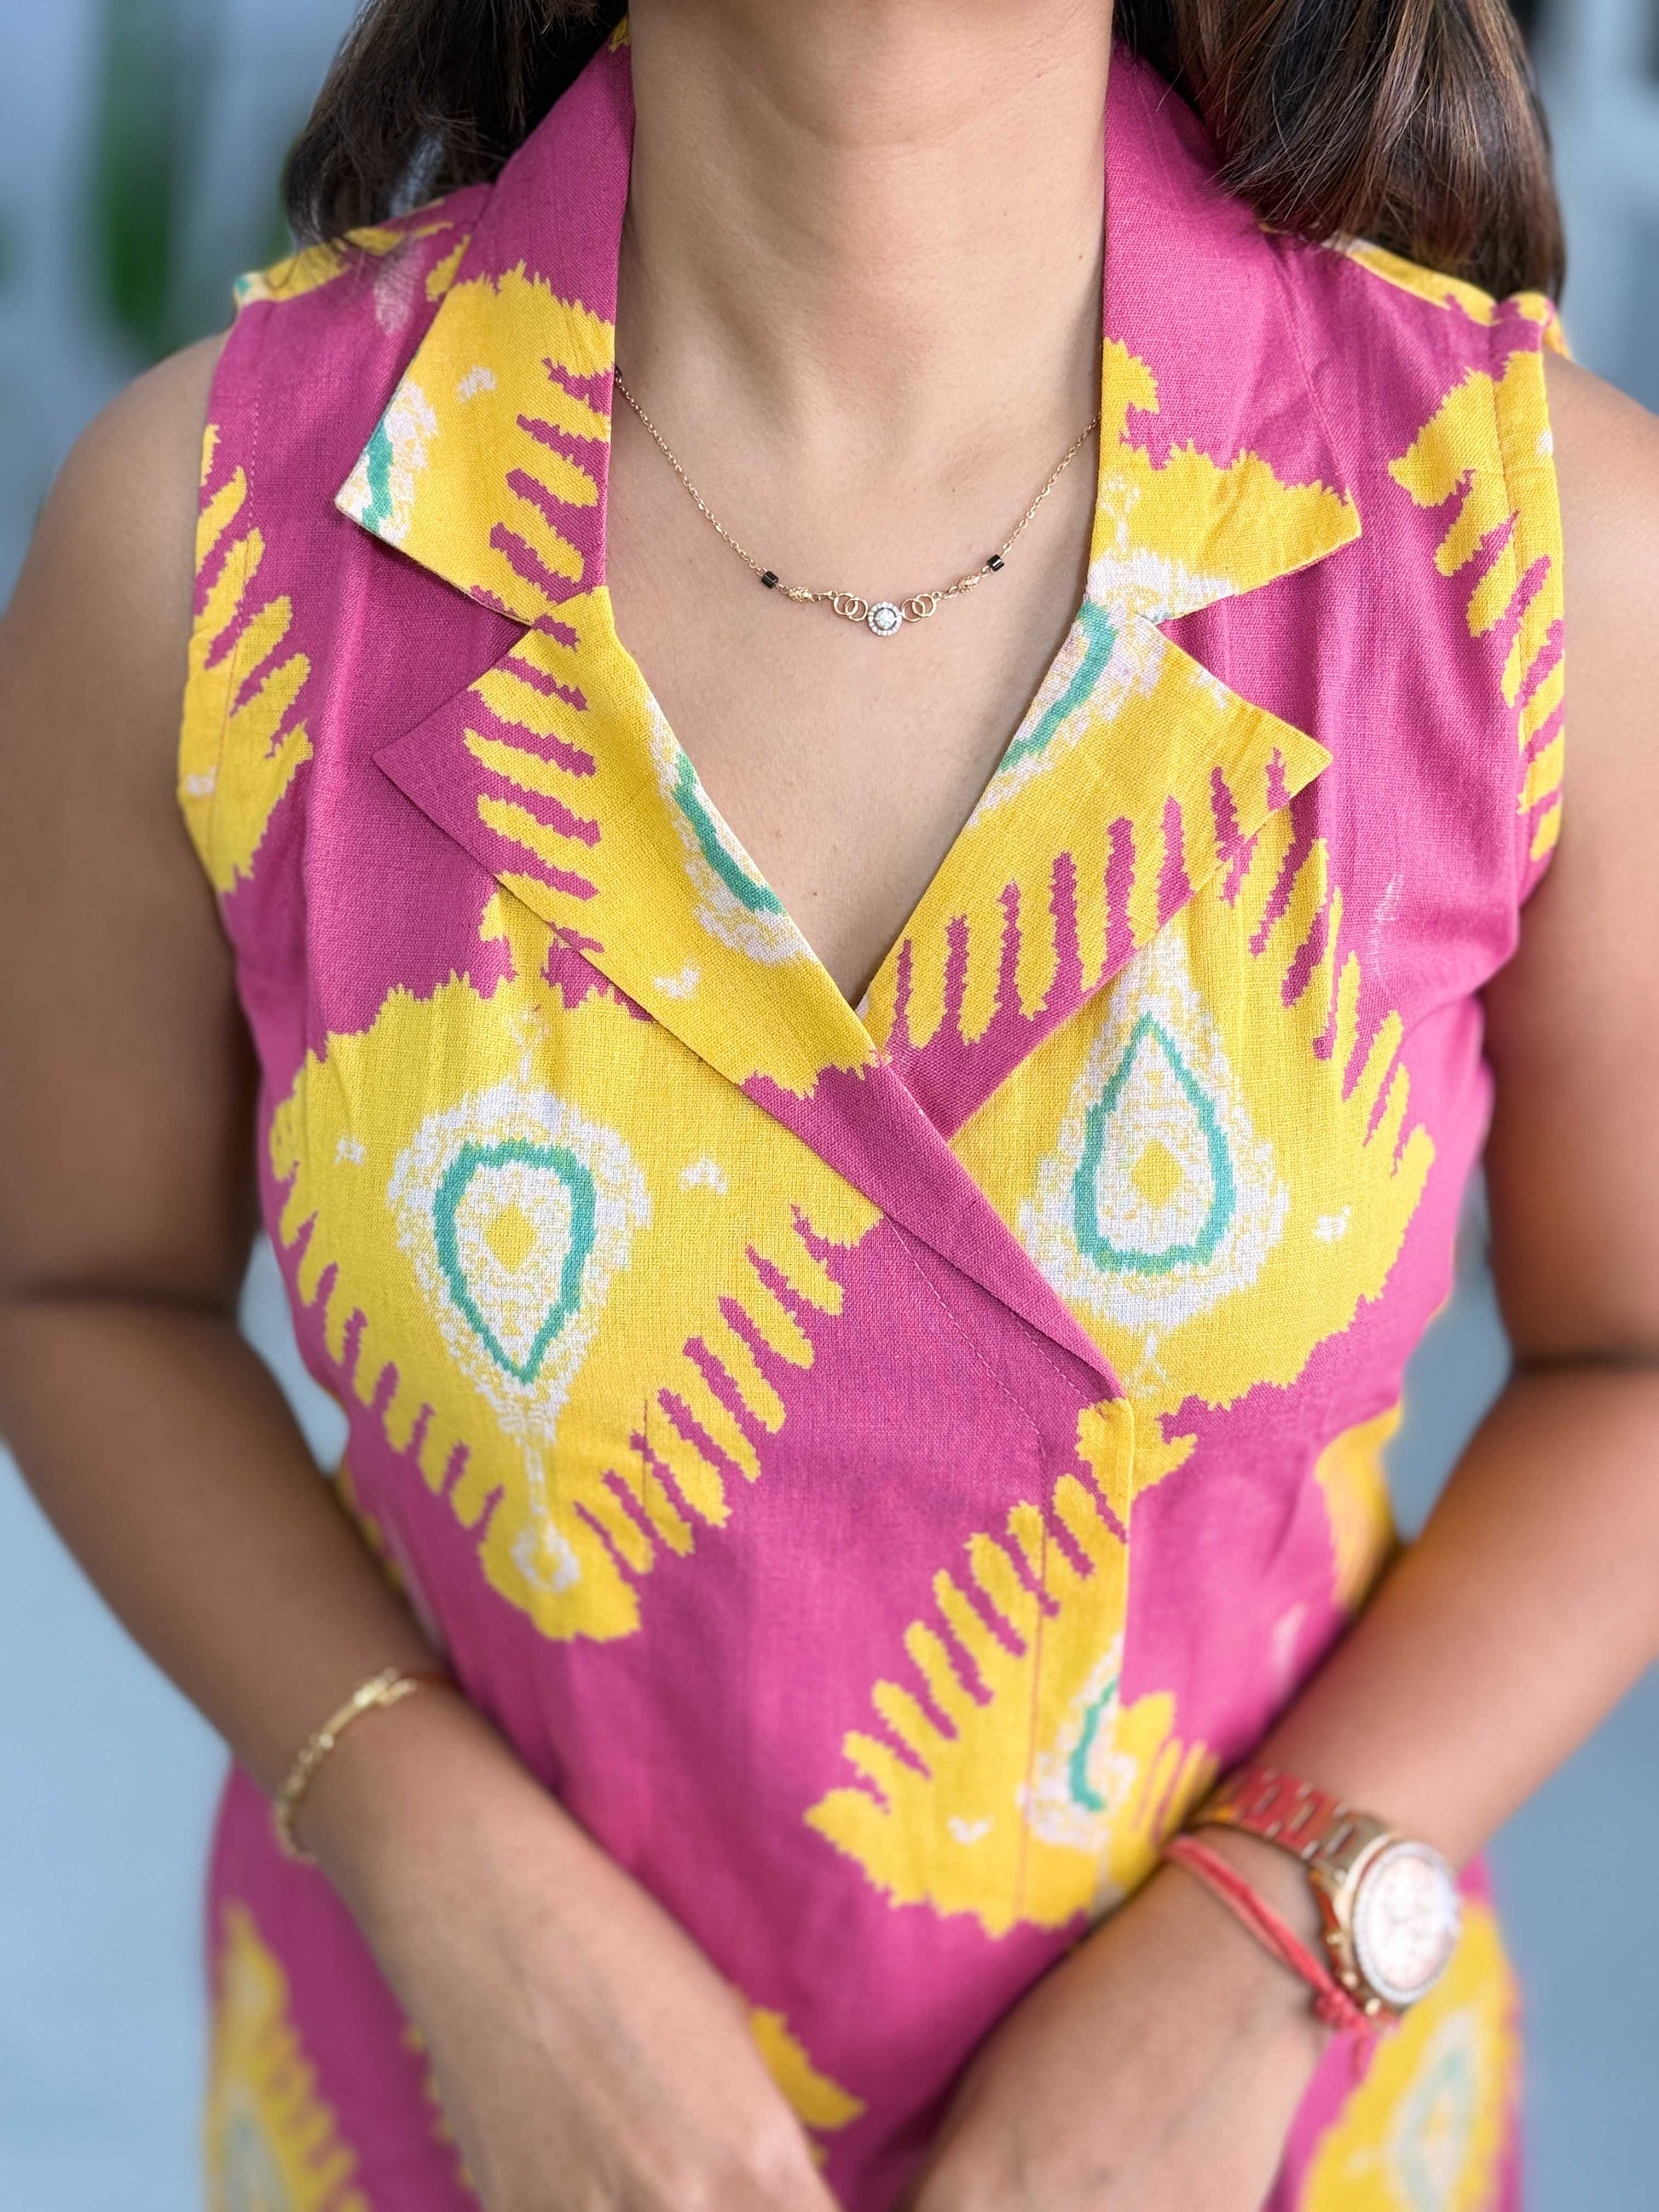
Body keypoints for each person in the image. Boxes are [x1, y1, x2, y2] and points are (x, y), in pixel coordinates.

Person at [2, 1, 1656, 2206]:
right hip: (434, 2105)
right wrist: (431, 1850)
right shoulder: (203, 538)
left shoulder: (1539, 548)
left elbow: (1637, 1358)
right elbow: (80, 1288)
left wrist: (1272, 1935)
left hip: (1283, 2132)